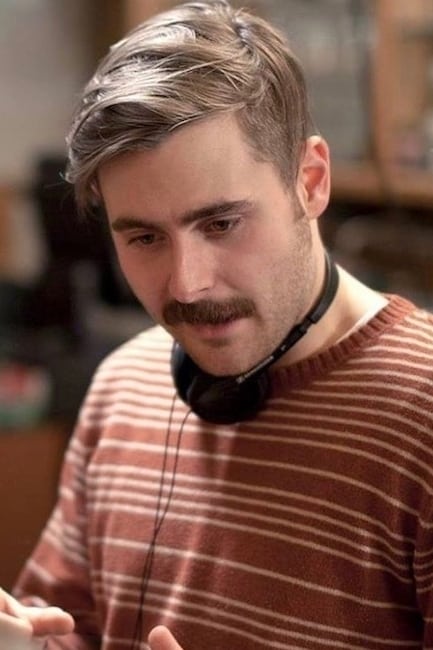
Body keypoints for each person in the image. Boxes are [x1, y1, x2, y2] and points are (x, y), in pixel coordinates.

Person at [2, 0, 433, 648]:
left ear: (310, 181)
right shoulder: (122, 386)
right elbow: (70, 625)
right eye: (144, 237)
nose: (186, 285)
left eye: (221, 223)